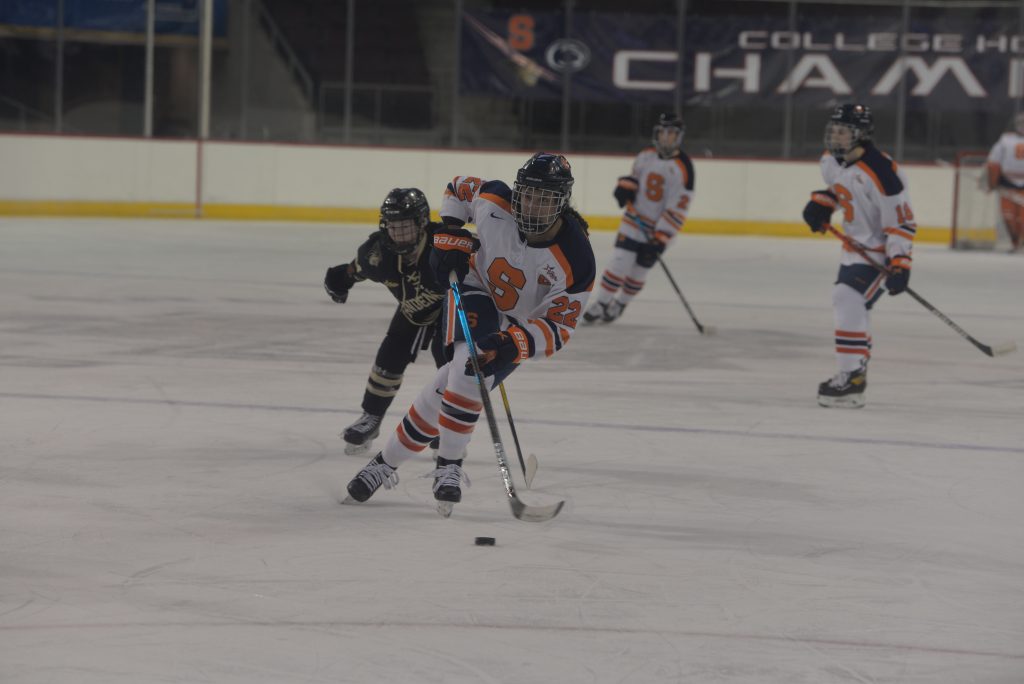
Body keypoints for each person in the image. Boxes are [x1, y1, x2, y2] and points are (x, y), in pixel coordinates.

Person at [343, 153, 596, 515]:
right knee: (467, 370)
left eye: (544, 199)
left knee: (450, 381)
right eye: (527, 195)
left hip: (515, 327)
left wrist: (514, 344)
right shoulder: (494, 200)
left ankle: (383, 464)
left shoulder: (577, 258)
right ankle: (449, 466)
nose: (531, 206)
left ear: (562, 202)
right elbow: (458, 189)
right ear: (517, 191)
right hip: (476, 290)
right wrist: (450, 230)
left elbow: (558, 327)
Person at [802, 104, 917, 408]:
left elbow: (901, 223)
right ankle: (856, 365)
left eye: (843, 131)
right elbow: (841, 189)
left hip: (878, 253)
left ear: (861, 135)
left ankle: (851, 379)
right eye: (834, 130)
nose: (835, 136)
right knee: (856, 307)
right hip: (853, 249)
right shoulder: (831, 160)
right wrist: (824, 202)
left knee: (846, 297)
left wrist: (900, 262)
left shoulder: (882, 173)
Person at [324, 188, 448, 455]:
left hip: (451, 309)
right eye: (393, 226)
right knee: (389, 357)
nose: (397, 234)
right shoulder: (377, 253)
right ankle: (371, 417)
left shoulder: (444, 244)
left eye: (405, 226)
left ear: (422, 223)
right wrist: (340, 281)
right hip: (412, 310)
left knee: (450, 365)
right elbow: (353, 270)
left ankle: (448, 426)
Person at [583, 112, 695, 324]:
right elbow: (634, 178)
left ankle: (620, 304)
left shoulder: (684, 168)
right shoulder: (646, 155)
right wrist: (624, 188)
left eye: (670, 133)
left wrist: (661, 236)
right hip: (633, 221)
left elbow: (679, 206)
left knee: (638, 271)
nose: (665, 137)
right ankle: (601, 303)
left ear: (678, 136)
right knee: (619, 263)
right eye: (662, 132)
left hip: (659, 230)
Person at [985, 111, 1024, 252]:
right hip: (1008, 185)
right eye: (1020, 123)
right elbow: (993, 164)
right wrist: (992, 183)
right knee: (1008, 217)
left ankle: (1019, 242)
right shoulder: (1005, 140)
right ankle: (1015, 242)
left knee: (1022, 219)